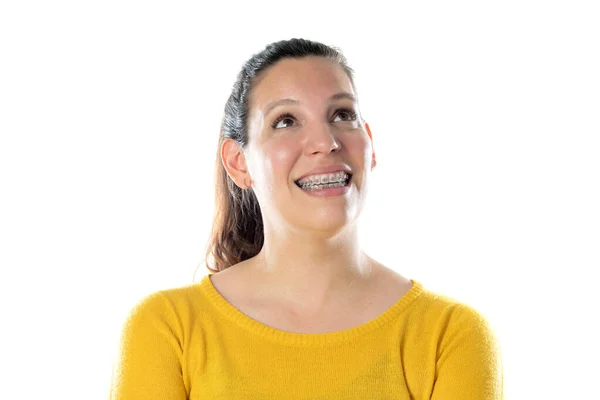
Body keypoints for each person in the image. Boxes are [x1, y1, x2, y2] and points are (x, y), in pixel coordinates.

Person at [109, 38, 504, 399]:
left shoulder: (450, 336)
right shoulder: (168, 328)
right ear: (238, 162)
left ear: (370, 143)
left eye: (342, 114)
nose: (325, 142)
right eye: (285, 120)